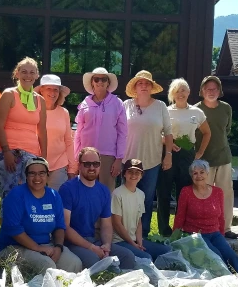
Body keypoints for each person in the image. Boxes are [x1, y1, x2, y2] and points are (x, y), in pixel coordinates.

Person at [0, 157, 83, 284]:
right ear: (26, 176)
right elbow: (14, 230)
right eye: (32, 173)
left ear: (48, 175)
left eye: (41, 173)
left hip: (45, 246)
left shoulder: (53, 195)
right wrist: (37, 248)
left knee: (74, 263)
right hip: (13, 247)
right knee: (46, 265)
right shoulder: (16, 195)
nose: (37, 178)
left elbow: (60, 226)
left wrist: (58, 247)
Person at [61, 148, 138, 269]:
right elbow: (65, 227)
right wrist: (91, 247)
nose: (92, 167)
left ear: (100, 165)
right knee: (95, 262)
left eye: (95, 164)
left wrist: (107, 245)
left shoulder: (103, 191)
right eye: (87, 164)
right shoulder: (67, 189)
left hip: (95, 240)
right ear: (79, 165)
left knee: (127, 256)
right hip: (73, 243)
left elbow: (106, 224)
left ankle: (124, 286)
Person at [155, 78, 210, 237]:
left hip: (188, 155)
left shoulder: (197, 112)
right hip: (167, 154)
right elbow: (157, 133)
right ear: (172, 93)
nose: (181, 93)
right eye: (177, 90)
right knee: (163, 192)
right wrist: (168, 144)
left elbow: (207, 133)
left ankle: (180, 229)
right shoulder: (165, 110)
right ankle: (164, 230)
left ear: (189, 92)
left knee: (184, 193)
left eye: (184, 90)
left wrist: (199, 154)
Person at [122, 70, 174, 238]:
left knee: (146, 199)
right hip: (127, 160)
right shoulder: (126, 105)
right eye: (140, 83)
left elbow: (168, 132)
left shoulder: (160, 106)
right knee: (126, 198)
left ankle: (142, 234)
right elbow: (117, 131)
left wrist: (168, 155)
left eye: (147, 83)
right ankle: (124, 233)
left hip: (151, 161)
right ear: (135, 87)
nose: (143, 86)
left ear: (151, 87)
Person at [172, 160, 238, 274]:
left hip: (215, 233)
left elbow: (221, 217)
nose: (199, 176)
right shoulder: (186, 192)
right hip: (196, 235)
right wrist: (175, 237)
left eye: (202, 172)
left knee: (232, 256)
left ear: (207, 174)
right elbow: (180, 216)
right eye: (195, 173)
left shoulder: (217, 192)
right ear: (191, 176)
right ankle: (228, 279)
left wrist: (222, 236)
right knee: (216, 257)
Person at [0, 57, 47, 201]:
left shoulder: (40, 100)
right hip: (9, 152)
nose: (28, 76)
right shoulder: (9, 94)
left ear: (37, 75)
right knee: (10, 196)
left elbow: (42, 130)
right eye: (24, 72)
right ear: (17, 73)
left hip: (32, 155)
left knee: (30, 196)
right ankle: (7, 224)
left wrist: (44, 159)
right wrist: (6, 151)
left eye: (32, 72)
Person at [195, 76, 238, 239]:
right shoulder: (196, 110)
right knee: (202, 194)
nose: (211, 92)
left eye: (214, 89)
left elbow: (226, 130)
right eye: (208, 89)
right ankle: (202, 227)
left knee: (226, 193)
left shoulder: (226, 108)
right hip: (203, 160)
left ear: (219, 91)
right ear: (202, 91)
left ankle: (226, 228)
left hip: (224, 157)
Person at [75, 67, 126, 190]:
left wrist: (119, 159)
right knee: (85, 192)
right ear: (92, 82)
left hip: (108, 155)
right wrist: (77, 156)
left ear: (108, 82)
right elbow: (78, 132)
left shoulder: (117, 103)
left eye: (103, 79)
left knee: (106, 194)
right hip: (86, 155)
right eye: (96, 79)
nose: (100, 82)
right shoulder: (84, 104)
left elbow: (123, 133)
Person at [111, 159, 172, 261]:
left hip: (135, 240)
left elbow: (139, 222)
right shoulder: (117, 194)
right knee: (146, 258)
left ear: (141, 175)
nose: (134, 175)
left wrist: (139, 242)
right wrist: (133, 244)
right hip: (119, 241)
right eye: (130, 172)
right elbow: (117, 224)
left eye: (137, 172)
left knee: (167, 251)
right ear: (124, 174)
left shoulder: (141, 194)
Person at [36, 74, 76, 190]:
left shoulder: (64, 112)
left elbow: (68, 141)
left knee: (58, 201)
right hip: (36, 163)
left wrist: (72, 168)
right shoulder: (33, 110)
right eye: (49, 89)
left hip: (59, 164)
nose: (53, 93)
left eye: (56, 90)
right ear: (41, 90)